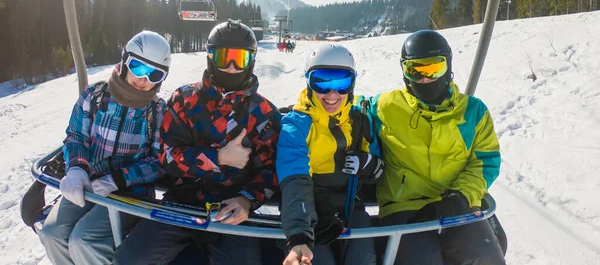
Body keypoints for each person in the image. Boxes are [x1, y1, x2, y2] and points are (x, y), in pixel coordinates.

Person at [114, 20, 281, 265]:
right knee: (130, 259)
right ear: (211, 58)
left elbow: (270, 171)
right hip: (180, 204)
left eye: (240, 59)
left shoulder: (263, 113)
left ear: (251, 62)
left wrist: (247, 199)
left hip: (230, 209)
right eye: (225, 58)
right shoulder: (185, 100)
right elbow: (168, 156)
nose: (232, 67)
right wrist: (219, 158)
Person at [356, 30, 504, 265]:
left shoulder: (473, 111)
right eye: (415, 70)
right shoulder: (386, 107)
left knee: (484, 258)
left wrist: (460, 198)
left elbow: (485, 162)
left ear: (448, 67)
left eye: (433, 69)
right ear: (404, 72)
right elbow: (342, 108)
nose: (424, 79)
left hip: (457, 207)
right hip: (404, 208)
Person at [38, 30, 171, 265]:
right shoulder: (96, 96)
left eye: (154, 75)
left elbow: (160, 161)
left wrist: (118, 180)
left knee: (85, 241)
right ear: (124, 62)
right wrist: (77, 168)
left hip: (131, 193)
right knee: (52, 233)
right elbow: (76, 136)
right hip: (89, 183)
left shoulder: (158, 111)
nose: (143, 80)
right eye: (138, 68)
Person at [277, 44, 384, 265]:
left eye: (342, 82)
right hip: (310, 212)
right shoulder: (296, 125)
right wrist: (299, 235)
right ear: (308, 82)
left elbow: (380, 170)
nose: (332, 93)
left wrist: (368, 164)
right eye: (322, 81)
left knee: (363, 258)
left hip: (350, 207)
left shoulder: (359, 120)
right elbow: (295, 179)